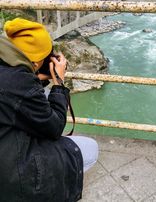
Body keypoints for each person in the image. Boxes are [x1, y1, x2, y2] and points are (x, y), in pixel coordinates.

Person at [0, 18, 98, 202]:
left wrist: (34, 77)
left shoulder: (8, 69)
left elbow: (20, 100)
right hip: (12, 173)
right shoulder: (19, 83)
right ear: (36, 62)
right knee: (90, 149)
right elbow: (54, 127)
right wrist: (59, 83)